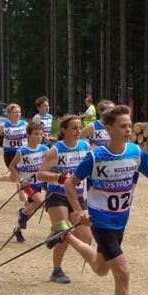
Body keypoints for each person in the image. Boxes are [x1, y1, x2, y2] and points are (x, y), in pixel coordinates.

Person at [50, 104, 148, 295]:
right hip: (100, 221)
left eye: (129, 126)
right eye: (123, 126)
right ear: (109, 129)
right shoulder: (95, 157)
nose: (128, 130)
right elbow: (71, 184)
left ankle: (66, 236)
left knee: (100, 268)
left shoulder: (136, 153)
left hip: (120, 221)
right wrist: (79, 210)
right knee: (122, 273)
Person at [36, 114, 92, 284]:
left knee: (86, 237)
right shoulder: (56, 149)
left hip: (77, 196)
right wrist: (58, 177)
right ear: (64, 130)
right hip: (57, 195)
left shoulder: (85, 146)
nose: (78, 131)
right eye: (74, 128)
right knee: (65, 232)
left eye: (80, 127)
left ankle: (57, 233)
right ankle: (57, 270)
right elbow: (41, 174)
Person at [7, 122, 49, 243]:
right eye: (36, 134)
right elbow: (12, 166)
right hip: (27, 184)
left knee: (32, 208)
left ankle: (17, 229)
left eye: (41, 134)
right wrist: (20, 179)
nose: (39, 136)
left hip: (40, 183)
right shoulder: (22, 151)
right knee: (41, 202)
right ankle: (22, 213)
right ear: (28, 135)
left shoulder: (44, 149)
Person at [0, 103, 28, 194]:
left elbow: (31, 135)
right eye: (15, 112)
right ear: (9, 114)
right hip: (10, 154)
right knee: (20, 176)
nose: (18, 114)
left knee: (13, 178)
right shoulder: (4, 125)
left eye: (19, 112)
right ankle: (25, 201)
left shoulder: (24, 124)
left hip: (22, 153)